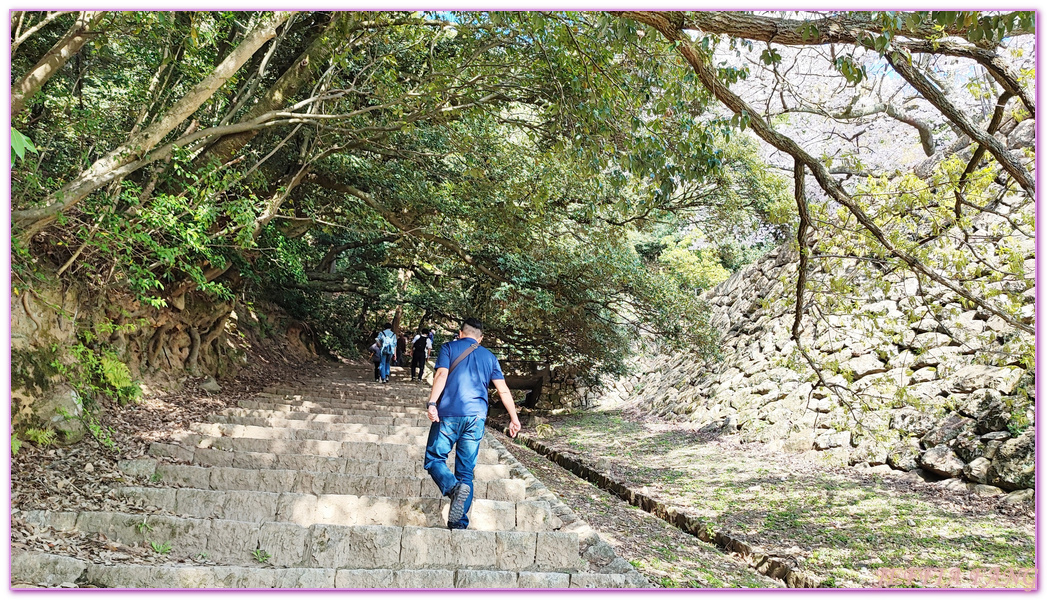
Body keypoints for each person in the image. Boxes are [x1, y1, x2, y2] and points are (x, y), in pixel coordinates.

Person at [423, 318, 522, 530]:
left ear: (460, 333)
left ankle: (452, 487)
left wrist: (432, 403)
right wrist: (514, 418)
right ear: (481, 338)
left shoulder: (449, 347)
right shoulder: (489, 356)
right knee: (466, 472)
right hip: (476, 418)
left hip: (449, 413)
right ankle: (458, 524)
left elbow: (441, 374)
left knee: (434, 459)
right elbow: (503, 390)